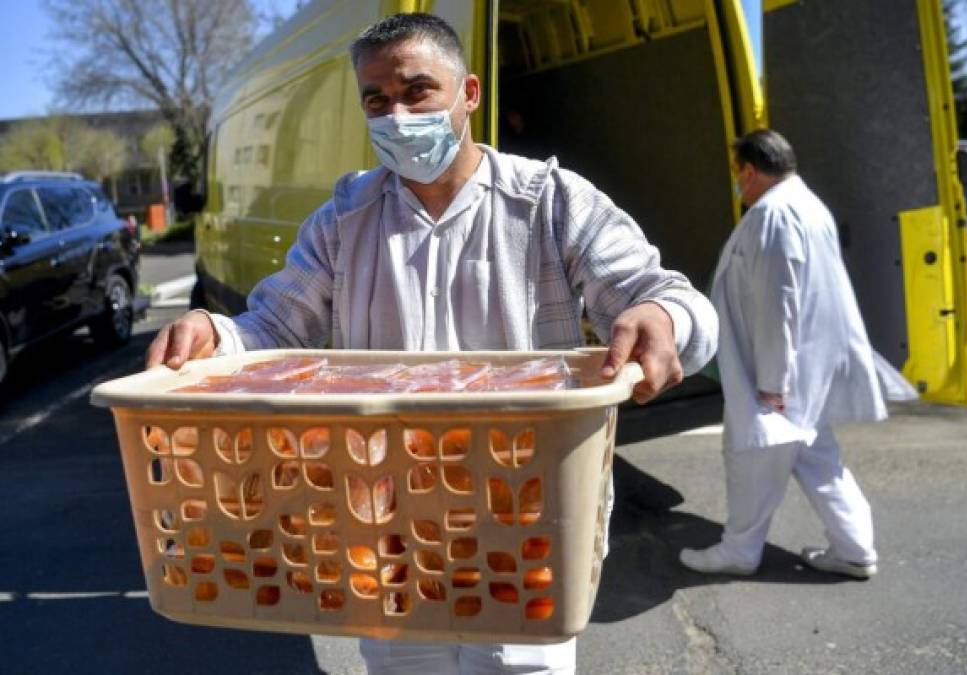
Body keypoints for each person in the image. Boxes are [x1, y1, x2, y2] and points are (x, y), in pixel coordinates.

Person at [145, 13, 718, 674]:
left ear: (468, 93)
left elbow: (662, 293)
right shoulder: (342, 222)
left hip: (524, 525)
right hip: (384, 530)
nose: (395, 114)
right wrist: (214, 332)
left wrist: (663, 318)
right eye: (375, 100)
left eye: (417, 91)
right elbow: (272, 327)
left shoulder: (548, 202)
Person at [679, 129, 888, 580]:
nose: (739, 184)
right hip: (805, 368)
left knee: (752, 460)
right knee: (819, 460)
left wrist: (773, 382)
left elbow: (779, 301)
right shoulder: (809, 206)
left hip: (775, 371)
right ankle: (855, 549)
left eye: (739, 174)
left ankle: (739, 552)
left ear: (750, 171)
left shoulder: (772, 214)